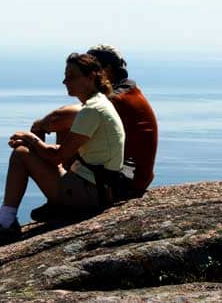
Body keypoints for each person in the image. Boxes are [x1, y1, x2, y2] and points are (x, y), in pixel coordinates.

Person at [0, 53, 125, 246]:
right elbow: (65, 150)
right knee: (27, 151)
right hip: (98, 186)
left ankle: (5, 223)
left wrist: (31, 140)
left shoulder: (91, 111)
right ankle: (11, 219)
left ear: (91, 77)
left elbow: (57, 157)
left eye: (71, 76)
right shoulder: (99, 103)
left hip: (90, 193)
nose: (65, 81)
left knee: (21, 154)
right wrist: (37, 146)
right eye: (65, 76)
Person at [30, 44, 158, 221]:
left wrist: (40, 126)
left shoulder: (116, 99)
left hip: (123, 181)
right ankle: (65, 192)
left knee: (66, 126)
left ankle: (65, 197)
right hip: (128, 174)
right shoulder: (128, 91)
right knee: (71, 128)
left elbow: (64, 117)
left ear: (105, 70)